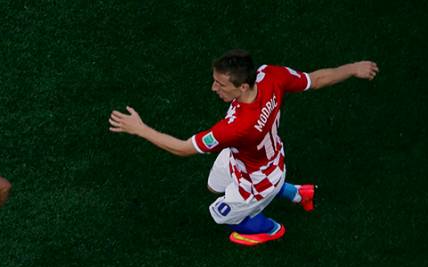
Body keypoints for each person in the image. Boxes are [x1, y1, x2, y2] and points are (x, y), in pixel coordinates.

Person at [109, 49, 379, 246]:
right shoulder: (270, 75)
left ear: (244, 86)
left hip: (259, 181)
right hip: (256, 158)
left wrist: (140, 129)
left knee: (221, 215)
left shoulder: (238, 127)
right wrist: (353, 67)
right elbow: (315, 80)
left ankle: (271, 229)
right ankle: (296, 192)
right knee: (214, 186)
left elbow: (182, 149)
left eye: (221, 84)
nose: (214, 88)